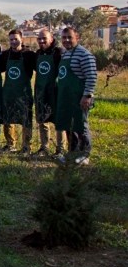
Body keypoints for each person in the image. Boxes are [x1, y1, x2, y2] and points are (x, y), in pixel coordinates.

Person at [55, 27, 96, 165]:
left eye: (69, 37)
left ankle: (85, 154)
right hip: (67, 98)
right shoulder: (66, 54)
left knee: (81, 125)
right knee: (69, 125)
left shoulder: (84, 54)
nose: (66, 40)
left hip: (80, 97)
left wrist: (87, 96)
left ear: (76, 37)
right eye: (64, 37)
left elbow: (91, 76)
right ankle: (72, 152)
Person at [0, 29, 36, 153]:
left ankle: (26, 146)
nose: (13, 41)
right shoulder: (5, 55)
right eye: (11, 39)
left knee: (26, 120)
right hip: (8, 93)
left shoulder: (29, 55)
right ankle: (10, 144)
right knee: (7, 120)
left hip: (24, 93)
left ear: (22, 38)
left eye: (16, 39)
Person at [34, 29, 66, 156]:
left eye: (44, 39)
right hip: (41, 91)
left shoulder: (59, 53)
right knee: (43, 121)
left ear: (51, 39)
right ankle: (44, 148)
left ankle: (60, 149)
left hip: (55, 91)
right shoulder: (37, 54)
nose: (41, 41)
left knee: (59, 121)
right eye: (39, 39)